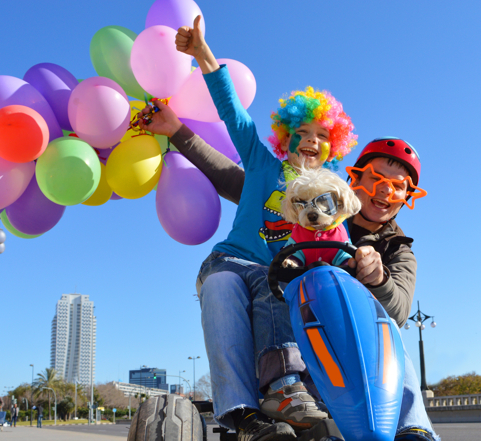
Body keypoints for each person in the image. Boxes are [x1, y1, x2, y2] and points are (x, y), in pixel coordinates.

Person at [141, 92, 436, 440]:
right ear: (353, 180)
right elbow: (232, 176)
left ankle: (411, 428)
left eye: (399, 188)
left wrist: (378, 274)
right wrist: (176, 130)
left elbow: (399, 309)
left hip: (348, 350)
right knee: (224, 284)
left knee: (385, 322)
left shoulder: (397, 250)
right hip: (288, 329)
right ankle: (246, 414)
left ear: (407, 198)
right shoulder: (310, 202)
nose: (385, 192)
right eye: (376, 178)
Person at [142, 15, 357, 441]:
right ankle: (240, 411)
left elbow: (339, 251)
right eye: (301, 132)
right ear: (285, 138)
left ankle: (286, 390)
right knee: (223, 287)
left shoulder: (332, 198)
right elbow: (233, 115)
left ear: (334, 145)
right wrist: (203, 53)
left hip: (278, 276)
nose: (310, 140)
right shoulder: (262, 165)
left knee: (280, 280)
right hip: (230, 260)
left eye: (320, 134)